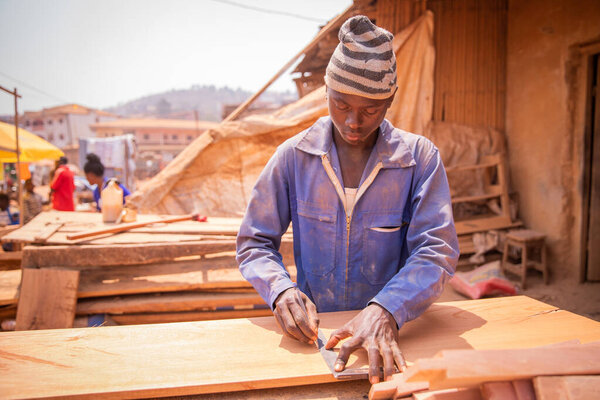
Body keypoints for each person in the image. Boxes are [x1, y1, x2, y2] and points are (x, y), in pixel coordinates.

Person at [236, 16, 459, 384]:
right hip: (317, 338)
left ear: (390, 100)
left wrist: (387, 309)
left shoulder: (420, 159)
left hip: (395, 333)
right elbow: (254, 242)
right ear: (325, 92)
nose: (353, 121)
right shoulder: (293, 157)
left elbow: (437, 251)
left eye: (370, 109)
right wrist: (281, 291)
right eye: (340, 105)